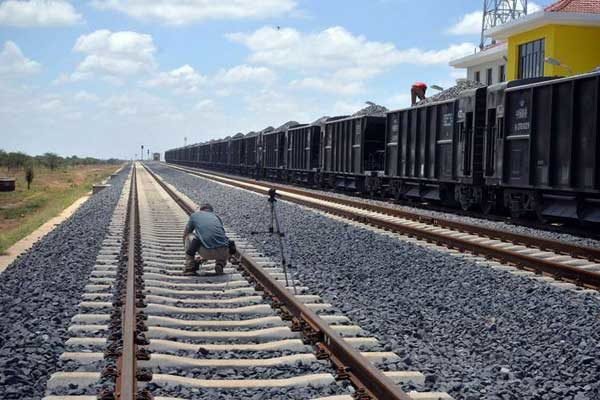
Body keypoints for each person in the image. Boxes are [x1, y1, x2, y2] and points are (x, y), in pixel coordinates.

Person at [182, 203, 230, 276]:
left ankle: (189, 267)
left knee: (189, 236)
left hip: (206, 252)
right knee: (222, 239)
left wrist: (189, 251)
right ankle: (220, 264)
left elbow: (186, 233)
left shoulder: (195, 215)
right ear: (211, 211)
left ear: (201, 210)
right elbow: (215, 237)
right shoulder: (216, 217)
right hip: (224, 252)